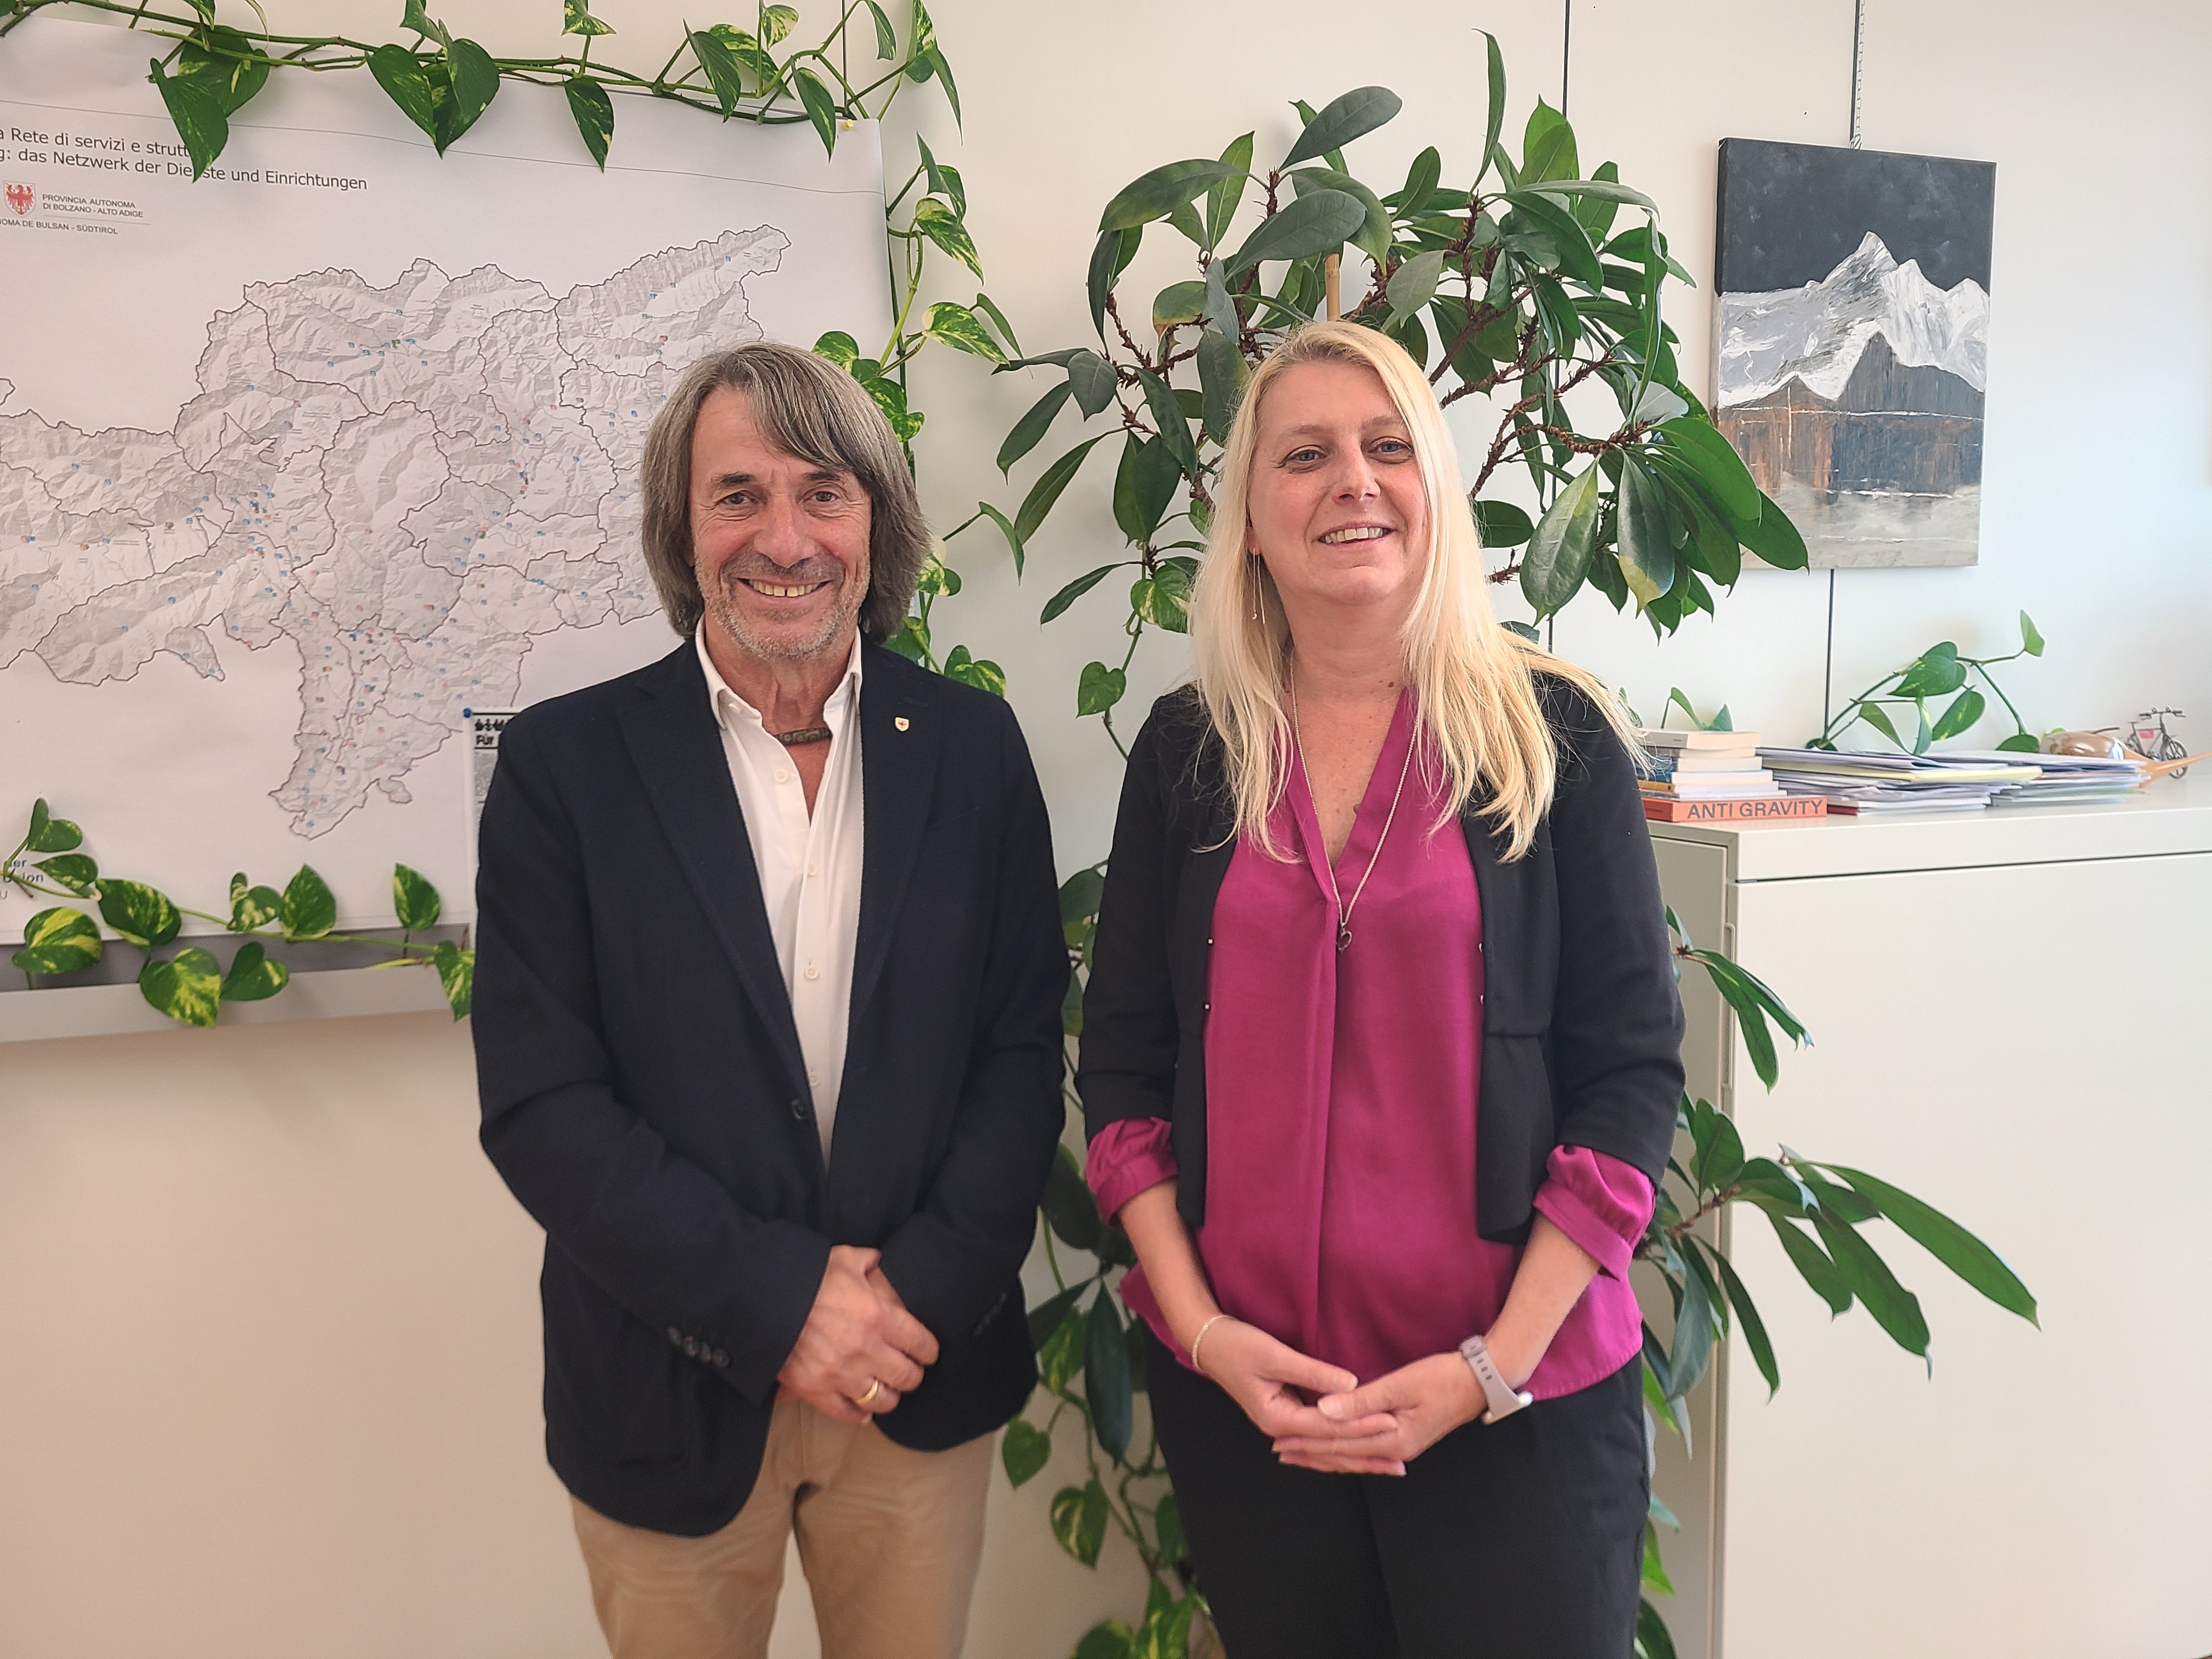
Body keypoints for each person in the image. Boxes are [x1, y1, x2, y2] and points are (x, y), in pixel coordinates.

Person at [1077, 320, 1684, 1658]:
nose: (1352, 480)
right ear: (1248, 520)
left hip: (1512, 1406)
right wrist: (1203, 1333)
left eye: (1387, 445)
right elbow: (1119, 1075)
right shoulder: (1188, 755)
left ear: (1435, 492)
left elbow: (1631, 1072)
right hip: (1260, 1414)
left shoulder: (1555, 737)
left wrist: (1491, 1369)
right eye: (1305, 455)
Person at [471, 342, 1068, 1659]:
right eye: (737, 495)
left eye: (823, 491)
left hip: (918, 1374)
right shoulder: (567, 769)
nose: (783, 537)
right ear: (683, 533)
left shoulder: (973, 752)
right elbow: (542, 1105)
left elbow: (1021, 1055)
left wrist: (901, 1303)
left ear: (877, 524)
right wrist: (785, 1303)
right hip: (665, 1384)